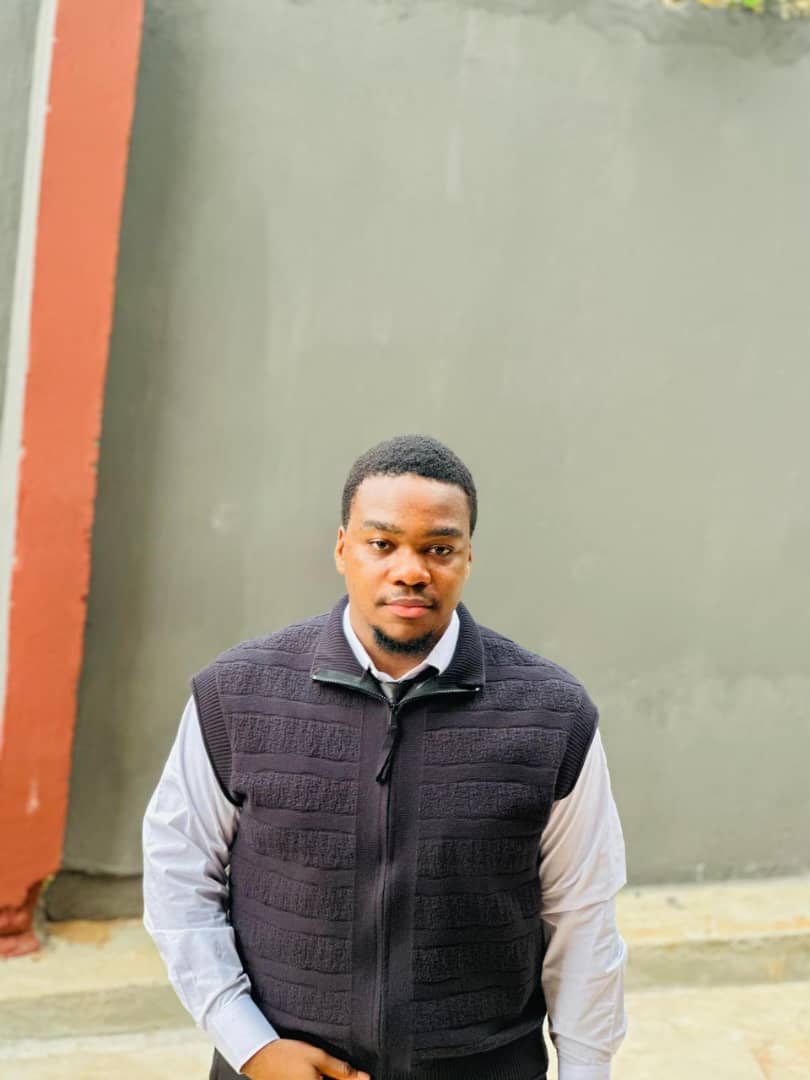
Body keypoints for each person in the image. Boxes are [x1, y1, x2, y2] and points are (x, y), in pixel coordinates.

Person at [143, 434, 627, 1080]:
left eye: (439, 549)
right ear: (343, 548)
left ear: (468, 556)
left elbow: (583, 916)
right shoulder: (235, 696)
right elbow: (178, 877)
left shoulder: (552, 714)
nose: (410, 570)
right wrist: (250, 1044)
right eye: (382, 543)